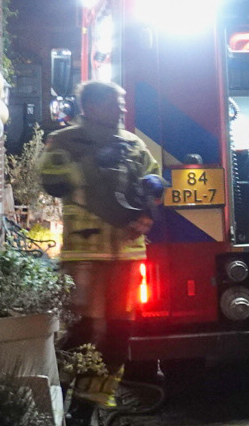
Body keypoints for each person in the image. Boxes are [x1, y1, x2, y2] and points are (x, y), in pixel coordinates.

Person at [38, 80, 162, 405]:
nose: (121, 109)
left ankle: (92, 400)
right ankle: (58, 393)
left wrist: (149, 206)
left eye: (121, 103)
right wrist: (86, 165)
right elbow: (50, 180)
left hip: (128, 252)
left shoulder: (132, 143)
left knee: (120, 331)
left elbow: (153, 177)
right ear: (91, 107)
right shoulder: (64, 141)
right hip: (85, 254)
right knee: (82, 329)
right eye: (113, 103)